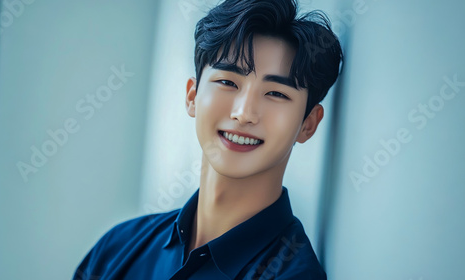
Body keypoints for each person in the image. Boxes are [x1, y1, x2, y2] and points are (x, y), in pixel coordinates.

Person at [74, 0, 342, 279]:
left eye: (276, 94)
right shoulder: (116, 249)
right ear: (192, 96)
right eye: (228, 82)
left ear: (308, 124)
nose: (243, 114)